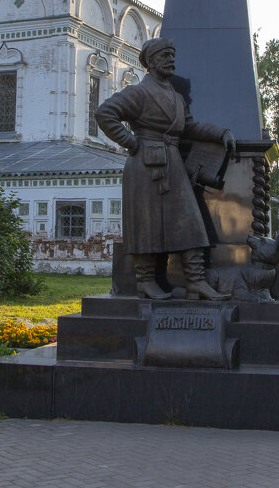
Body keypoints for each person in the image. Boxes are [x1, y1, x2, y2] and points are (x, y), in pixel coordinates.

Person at [95, 37, 235, 300]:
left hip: (173, 164)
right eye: (164, 55)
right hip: (145, 165)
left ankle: (196, 281)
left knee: (190, 222)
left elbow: (190, 128)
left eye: (172, 54)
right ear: (149, 62)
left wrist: (221, 133)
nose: (171, 59)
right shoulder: (138, 92)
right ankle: (145, 282)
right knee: (146, 225)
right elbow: (105, 113)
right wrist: (131, 142)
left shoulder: (177, 97)